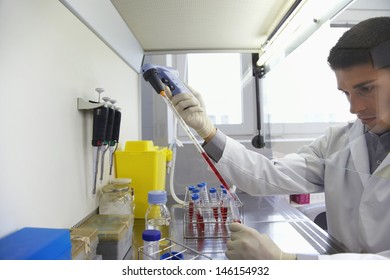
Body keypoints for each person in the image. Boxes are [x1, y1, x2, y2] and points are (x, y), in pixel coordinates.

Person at [166, 16, 390, 260]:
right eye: (346, 93)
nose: (354, 108)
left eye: (366, 89)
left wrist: (286, 261)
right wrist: (207, 130)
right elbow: (267, 175)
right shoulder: (337, 142)